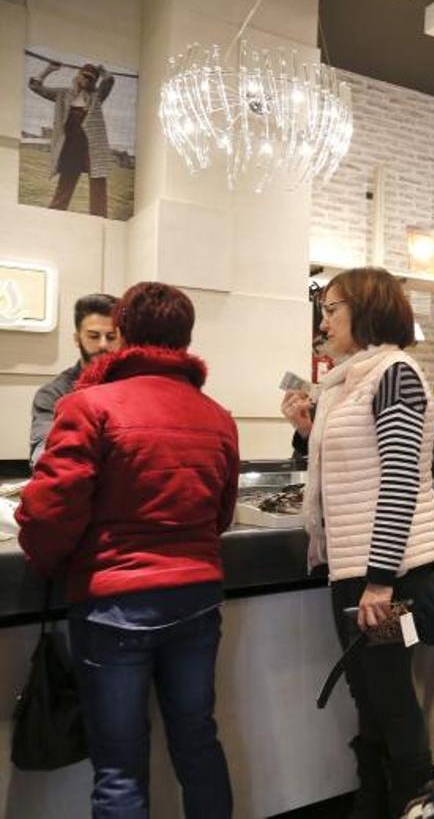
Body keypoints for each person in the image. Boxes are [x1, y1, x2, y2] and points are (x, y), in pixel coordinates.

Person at [16, 282, 239, 818]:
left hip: (113, 607)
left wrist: (51, 562)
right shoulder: (217, 416)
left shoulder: (87, 406)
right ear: (185, 339)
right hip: (198, 600)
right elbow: (222, 516)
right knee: (198, 743)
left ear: (125, 332)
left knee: (118, 767)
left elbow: (48, 513)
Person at [292, 268, 434, 815]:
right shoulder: (347, 379)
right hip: (354, 569)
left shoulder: (395, 375)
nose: (324, 319)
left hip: (388, 574)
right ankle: (374, 804)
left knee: (390, 698)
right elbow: (353, 468)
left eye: (332, 308)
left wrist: (380, 582)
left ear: (366, 309)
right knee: (369, 694)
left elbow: (402, 479)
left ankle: (410, 806)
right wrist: (308, 430)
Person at [28, 292, 119, 464]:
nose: (103, 345)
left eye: (111, 337)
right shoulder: (53, 394)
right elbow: (43, 456)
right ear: (77, 339)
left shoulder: (134, 385)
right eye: (93, 336)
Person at [28, 60, 116, 216]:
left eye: (91, 79)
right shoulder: (63, 94)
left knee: (98, 180)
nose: (87, 80)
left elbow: (108, 82)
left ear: (94, 82)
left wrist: (103, 71)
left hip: (92, 145)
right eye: (85, 76)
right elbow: (35, 87)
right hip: (70, 145)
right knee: (66, 181)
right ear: (78, 76)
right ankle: (55, 214)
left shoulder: (97, 97)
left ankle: (99, 218)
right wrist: (49, 69)